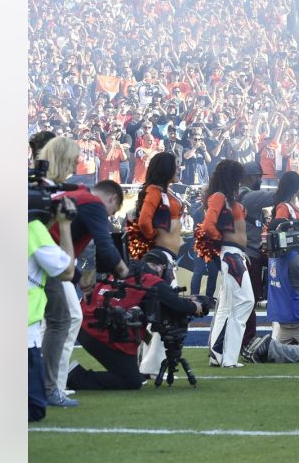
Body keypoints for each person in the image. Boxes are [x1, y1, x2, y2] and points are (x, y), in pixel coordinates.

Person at [35, 136, 127, 408]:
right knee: (64, 319)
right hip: (41, 254)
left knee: (54, 320)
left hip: (39, 253)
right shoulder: (89, 200)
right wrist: (124, 271)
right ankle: (52, 386)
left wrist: (77, 277)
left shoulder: (61, 189)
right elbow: (107, 250)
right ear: (111, 198)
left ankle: (48, 384)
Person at [69, 253, 206, 390]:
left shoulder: (121, 273)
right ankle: (73, 377)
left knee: (130, 372)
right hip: (101, 332)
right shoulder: (150, 281)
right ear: (158, 267)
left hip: (85, 323)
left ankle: (69, 374)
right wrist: (196, 306)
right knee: (131, 382)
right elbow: (178, 305)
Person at [123, 151, 186, 379]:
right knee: (166, 313)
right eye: (176, 166)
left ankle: (148, 365)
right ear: (166, 169)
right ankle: (150, 366)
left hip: (166, 255)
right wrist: (154, 243)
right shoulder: (154, 191)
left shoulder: (164, 192)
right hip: (160, 257)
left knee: (160, 314)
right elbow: (143, 221)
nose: (179, 169)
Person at [195, 158, 253, 367]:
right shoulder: (219, 197)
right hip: (231, 255)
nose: (240, 182)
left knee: (227, 306)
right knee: (245, 301)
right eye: (237, 178)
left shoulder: (228, 198)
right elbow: (207, 226)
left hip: (235, 254)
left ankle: (218, 355)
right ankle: (228, 357)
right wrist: (224, 242)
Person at [245, 223, 299, 364]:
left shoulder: (274, 256)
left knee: (281, 352)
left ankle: (265, 349)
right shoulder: (292, 258)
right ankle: (270, 348)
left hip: (282, 318)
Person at [28, 185, 76, 420]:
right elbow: (67, 272)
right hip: (25, 328)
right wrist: (64, 225)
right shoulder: (34, 230)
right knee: (34, 409)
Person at [238, 161, 272, 350]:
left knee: (245, 301)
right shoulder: (249, 197)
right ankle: (247, 339)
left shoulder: (242, 195)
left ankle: (243, 338)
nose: (260, 179)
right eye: (258, 176)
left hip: (248, 254)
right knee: (248, 301)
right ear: (250, 177)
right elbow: (277, 196)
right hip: (249, 254)